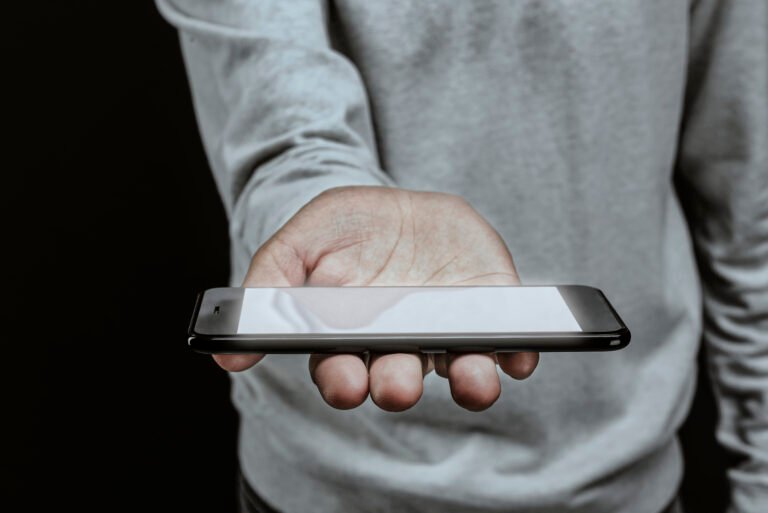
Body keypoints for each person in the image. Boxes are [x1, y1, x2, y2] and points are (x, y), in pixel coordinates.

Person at [157, 1, 767, 512]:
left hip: (625, 478)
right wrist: (331, 208)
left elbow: (750, 190)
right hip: (323, 479)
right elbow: (276, 107)